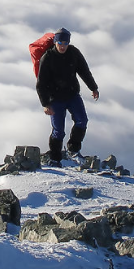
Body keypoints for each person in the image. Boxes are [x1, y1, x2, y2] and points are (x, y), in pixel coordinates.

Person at [36, 28, 99, 166]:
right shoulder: (47, 57)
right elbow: (41, 83)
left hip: (72, 95)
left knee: (82, 121)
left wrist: (93, 87)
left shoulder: (74, 53)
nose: (63, 46)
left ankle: (73, 150)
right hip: (55, 99)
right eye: (60, 42)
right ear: (55, 42)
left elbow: (84, 71)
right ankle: (55, 158)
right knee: (58, 131)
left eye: (66, 42)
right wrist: (45, 104)